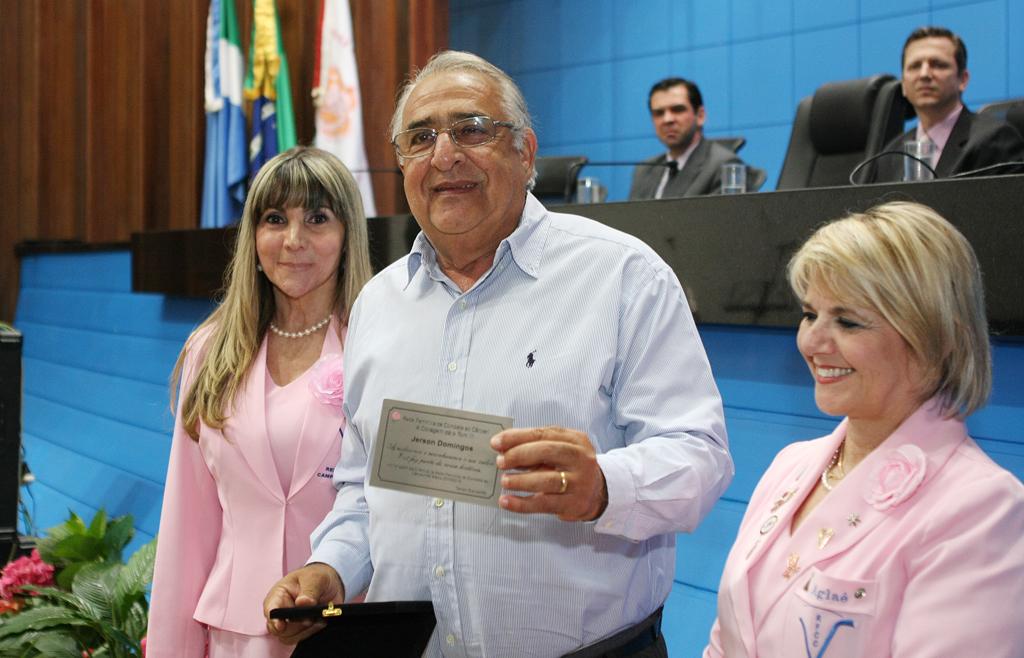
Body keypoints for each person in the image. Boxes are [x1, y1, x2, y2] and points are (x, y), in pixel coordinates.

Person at [264, 51, 734, 657]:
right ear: (403, 164)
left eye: (472, 129)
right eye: (421, 137)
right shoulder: (379, 305)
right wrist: (331, 569)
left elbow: (701, 456)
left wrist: (603, 486)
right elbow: (363, 485)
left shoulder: (623, 276)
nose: (445, 155)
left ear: (526, 152)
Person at [705, 201, 1024, 657]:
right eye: (810, 314)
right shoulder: (791, 465)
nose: (812, 342)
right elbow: (727, 640)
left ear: (936, 338)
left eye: (847, 321)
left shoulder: (982, 510)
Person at [147, 146, 373, 658]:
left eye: (317, 218)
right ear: (252, 236)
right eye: (275, 219)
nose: (294, 241)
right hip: (233, 633)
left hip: (348, 625)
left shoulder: (377, 348)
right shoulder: (211, 351)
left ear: (347, 235)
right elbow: (187, 527)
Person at [872, 26, 1024, 181]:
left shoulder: (995, 140)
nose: (924, 74)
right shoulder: (891, 153)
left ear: (963, 79)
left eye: (938, 64)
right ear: (904, 84)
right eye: (915, 66)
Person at [629, 77, 748, 199]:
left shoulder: (723, 165)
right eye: (659, 113)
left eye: (678, 110)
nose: (667, 119)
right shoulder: (644, 169)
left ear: (700, 116)